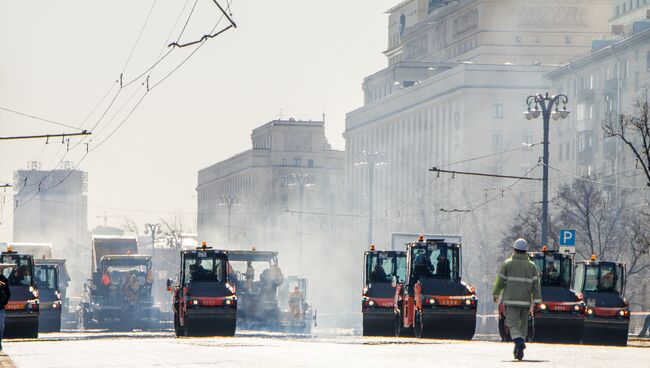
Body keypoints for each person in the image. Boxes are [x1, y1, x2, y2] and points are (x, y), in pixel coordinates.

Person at [493, 238, 542, 361]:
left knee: (512, 324)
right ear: (526, 251)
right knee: (523, 326)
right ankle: (518, 347)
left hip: (511, 300)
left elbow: (500, 281)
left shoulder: (507, 263)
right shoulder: (532, 266)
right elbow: (536, 286)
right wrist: (537, 302)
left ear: (514, 249)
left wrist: (496, 294)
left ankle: (519, 342)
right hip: (525, 301)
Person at [0, 266, 11, 350]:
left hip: (0, 307)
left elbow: (8, 294)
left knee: (1, 325)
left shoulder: (4, 280)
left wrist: (4, 301)